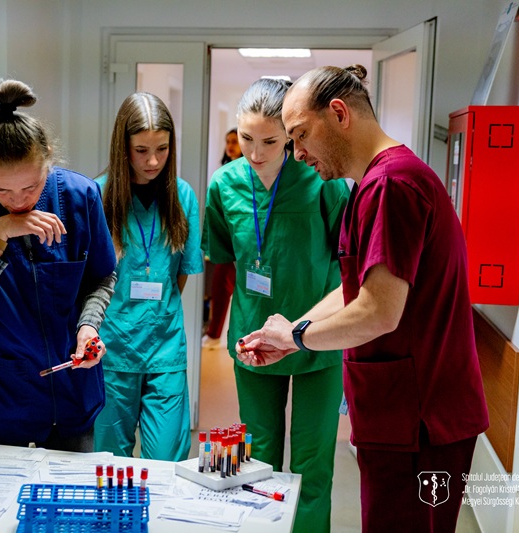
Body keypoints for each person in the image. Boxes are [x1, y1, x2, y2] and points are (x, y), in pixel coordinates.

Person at [239, 65, 489, 532]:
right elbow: (356, 288)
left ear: (338, 114)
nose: (296, 154)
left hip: (420, 421)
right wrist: (292, 332)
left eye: (298, 136)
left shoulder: (392, 185)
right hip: (400, 416)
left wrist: (298, 336)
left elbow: (378, 312)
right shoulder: (373, 184)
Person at [0, 79, 117, 451]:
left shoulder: (80, 197)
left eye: (30, 188)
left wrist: (88, 327)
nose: (17, 200)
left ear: (48, 160)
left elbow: (101, 277)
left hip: (71, 396)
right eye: (1, 191)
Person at [201, 78, 349, 532]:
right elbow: (222, 260)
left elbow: (349, 264)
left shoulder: (322, 180)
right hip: (255, 341)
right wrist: (215, 323)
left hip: (316, 340)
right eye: (246, 138)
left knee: (312, 463)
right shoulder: (224, 185)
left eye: (269, 140)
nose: (255, 151)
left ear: (290, 134)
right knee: (257, 460)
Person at [93, 92, 202, 461]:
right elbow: (88, 281)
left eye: (162, 148)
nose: (153, 161)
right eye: (141, 150)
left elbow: (179, 277)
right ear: (122, 146)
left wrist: (153, 311)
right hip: (111, 349)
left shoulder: (182, 197)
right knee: (108, 464)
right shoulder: (98, 196)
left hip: (164, 348)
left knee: (166, 461)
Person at [202, 128, 240, 349]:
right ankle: (215, 333)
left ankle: (218, 333)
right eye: (228, 141)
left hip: (243, 239)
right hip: (225, 238)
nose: (231, 145)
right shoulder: (222, 174)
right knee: (219, 286)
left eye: (235, 141)